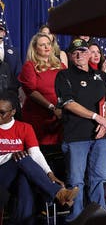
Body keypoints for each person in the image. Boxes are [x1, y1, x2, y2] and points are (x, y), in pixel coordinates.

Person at [55, 38, 106, 222]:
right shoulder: (64, 76)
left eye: (82, 51)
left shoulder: (102, 76)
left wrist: (105, 122)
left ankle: (99, 218)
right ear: (71, 56)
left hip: (100, 137)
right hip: (76, 136)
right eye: (75, 52)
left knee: (99, 178)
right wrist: (96, 117)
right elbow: (68, 104)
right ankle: (76, 218)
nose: (79, 55)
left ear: (89, 54)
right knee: (76, 181)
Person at [0, 98, 80, 224]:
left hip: (19, 173)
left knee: (24, 180)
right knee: (22, 157)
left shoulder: (24, 128)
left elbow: (36, 154)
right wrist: (11, 156)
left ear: (13, 112)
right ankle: (58, 193)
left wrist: (50, 173)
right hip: (3, 174)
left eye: (2, 112)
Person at [18, 33, 66, 164]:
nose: (46, 47)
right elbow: (31, 91)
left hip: (59, 118)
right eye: (42, 45)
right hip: (39, 118)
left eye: (48, 44)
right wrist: (51, 107)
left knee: (59, 156)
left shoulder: (60, 65)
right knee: (42, 157)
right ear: (35, 48)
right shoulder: (30, 66)